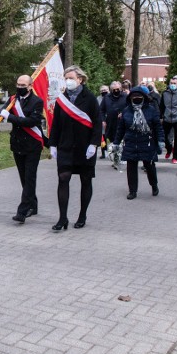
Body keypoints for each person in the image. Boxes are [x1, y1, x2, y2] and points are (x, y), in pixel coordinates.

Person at [48, 65, 102, 231]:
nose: (68, 81)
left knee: (85, 181)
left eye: (71, 78)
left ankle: (82, 215)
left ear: (80, 79)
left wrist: (94, 144)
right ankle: (62, 218)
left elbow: (97, 123)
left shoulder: (90, 98)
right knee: (63, 179)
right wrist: (53, 144)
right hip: (65, 147)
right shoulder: (61, 99)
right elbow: (55, 124)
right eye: (66, 78)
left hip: (85, 148)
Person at [0, 75, 45, 223]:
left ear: (30, 86)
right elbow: (1, 110)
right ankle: (33, 205)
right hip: (18, 144)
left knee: (30, 177)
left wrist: (11, 118)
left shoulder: (37, 102)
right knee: (24, 177)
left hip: (33, 145)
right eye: (18, 84)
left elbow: (32, 121)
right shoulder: (14, 99)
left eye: (23, 85)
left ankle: (22, 211)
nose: (20, 87)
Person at [112, 86, 164, 199]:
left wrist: (160, 140)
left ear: (144, 98)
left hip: (147, 142)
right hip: (131, 142)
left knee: (149, 166)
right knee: (131, 168)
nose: (136, 99)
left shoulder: (151, 110)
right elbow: (121, 129)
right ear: (130, 98)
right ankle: (132, 191)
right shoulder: (126, 111)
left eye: (139, 97)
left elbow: (158, 127)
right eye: (133, 97)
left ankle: (154, 185)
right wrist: (116, 142)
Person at [160, 76, 177, 164]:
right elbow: (162, 106)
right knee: (164, 136)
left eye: (174, 83)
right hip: (167, 118)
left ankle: (175, 157)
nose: (172, 85)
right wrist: (161, 116)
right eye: (171, 83)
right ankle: (169, 148)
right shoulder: (165, 93)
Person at [101, 81, 128, 162]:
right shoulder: (106, 98)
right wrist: (103, 120)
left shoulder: (125, 96)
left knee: (122, 140)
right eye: (114, 89)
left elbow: (130, 107)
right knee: (113, 140)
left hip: (123, 122)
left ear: (120, 88)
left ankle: (123, 157)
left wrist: (124, 113)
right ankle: (115, 157)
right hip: (110, 123)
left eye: (118, 89)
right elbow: (101, 110)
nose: (116, 90)